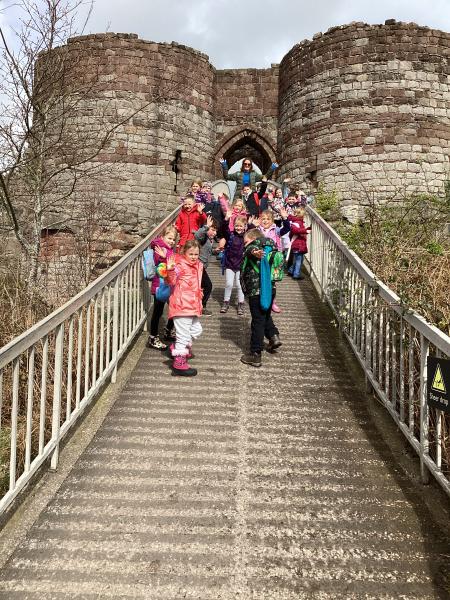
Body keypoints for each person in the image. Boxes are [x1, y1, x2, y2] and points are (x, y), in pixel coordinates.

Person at [240, 228, 282, 367]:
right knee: (265, 315)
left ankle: (255, 354)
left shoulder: (255, 247)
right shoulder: (272, 247)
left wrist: (254, 252)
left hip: (257, 290)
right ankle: (273, 336)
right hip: (270, 289)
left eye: (246, 241)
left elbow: (249, 250)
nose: (245, 244)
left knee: (257, 321)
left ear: (254, 239)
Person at [166, 240, 203, 377]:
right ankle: (179, 364)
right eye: (190, 254)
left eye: (196, 254)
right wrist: (170, 270)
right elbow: (171, 280)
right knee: (183, 336)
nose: (193, 257)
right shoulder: (180, 265)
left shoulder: (198, 265)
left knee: (197, 330)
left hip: (192, 305)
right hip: (181, 305)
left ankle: (177, 348)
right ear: (184, 253)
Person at [146, 225, 177, 349]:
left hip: (168, 284)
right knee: (158, 312)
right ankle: (153, 338)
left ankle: (168, 330)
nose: (172, 241)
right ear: (163, 237)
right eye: (169, 238)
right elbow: (160, 266)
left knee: (175, 308)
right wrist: (164, 258)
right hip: (160, 285)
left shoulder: (168, 249)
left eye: (173, 239)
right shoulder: (160, 248)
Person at [254, 209, 290, 313]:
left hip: (273, 260)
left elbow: (286, 229)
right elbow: (249, 237)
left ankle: (272, 301)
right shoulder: (257, 230)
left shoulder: (276, 230)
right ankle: (260, 299)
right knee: (259, 279)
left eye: (268, 219)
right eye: (263, 219)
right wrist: (253, 226)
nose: (265, 221)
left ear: (272, 221)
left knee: (272, 281)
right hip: (259, 258)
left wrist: (285, 218)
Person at [219, 216, 247, 316]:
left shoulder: (246, 237)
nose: (238, 228)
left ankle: (240, 303)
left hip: (241, 266)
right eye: (236, 226)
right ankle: (226, 301)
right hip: (230, 264)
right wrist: (226, 219)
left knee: (239, 285)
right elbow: (223, 229)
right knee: (229, 284)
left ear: (244, 227)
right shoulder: (230, 235)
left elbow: (253, 235)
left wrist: (252, 225)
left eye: (241, 226)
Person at [194, 215, 219, 316]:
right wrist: (206, 226)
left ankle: (197, 306)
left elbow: (207, 250)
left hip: (202, 267)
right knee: (208, 285)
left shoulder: (209, 239)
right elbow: (197, 235)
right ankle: (202, 307)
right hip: (197, 266)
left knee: (200, 287)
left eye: (216, 231)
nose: (215, 233)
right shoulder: (203, 237)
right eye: (212, 230)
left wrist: (215, 251)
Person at [288, 207, 311, 280]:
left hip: (298, 244)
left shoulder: (297, 222)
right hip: (298, 244)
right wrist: (305, 231)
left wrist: (306, 230)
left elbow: (298, 231)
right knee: (299, 260)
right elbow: (295, 230)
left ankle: (291, 270)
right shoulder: (296, 223)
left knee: (297, 259)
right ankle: (296, 274)